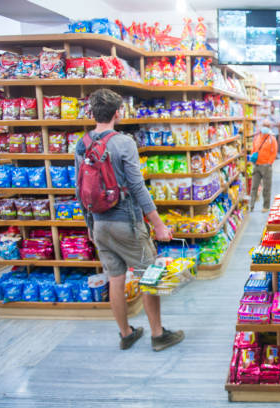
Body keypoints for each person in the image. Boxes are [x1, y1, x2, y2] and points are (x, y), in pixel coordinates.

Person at [75, 88, 183, 352]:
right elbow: (138, 188)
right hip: (128, 222)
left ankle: (125, 333)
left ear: (92, 113)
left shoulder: (81, 144)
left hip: (99, 223)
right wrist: (158, 224)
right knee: (149, 276)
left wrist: (90, 225)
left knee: (115, 277)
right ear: (117, 113)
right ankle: (158, 334)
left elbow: (80, 189)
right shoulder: (124, 143)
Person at [250, 122, 278, 212]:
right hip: (257, 165)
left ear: (269, 128)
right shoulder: (257, 137)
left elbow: (274, 152)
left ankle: (266, 206)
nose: (265, 128)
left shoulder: (271, 138)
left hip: (266, 167)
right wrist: (253, 160)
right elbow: (253, 150)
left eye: (267, 126)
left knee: (266, 187)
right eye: (264, 126)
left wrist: (269, 163)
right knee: (254, 186)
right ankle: (251, 205)